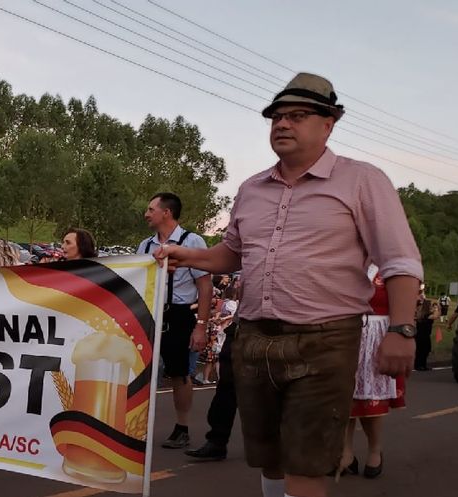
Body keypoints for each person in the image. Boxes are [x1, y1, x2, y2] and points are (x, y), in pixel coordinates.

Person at [155, 73, 422, 497]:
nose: (282, 124)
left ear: (328, 124)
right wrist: (186, 255)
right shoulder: (252, 188)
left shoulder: (362, 180)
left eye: (297, 116)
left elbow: (400, 260)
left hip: (325, 339)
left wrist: (402, 330)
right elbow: (232, 254)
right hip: (254, 337)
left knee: (306, 462)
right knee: (270, 456)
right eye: (276, 117)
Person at [136, 192, 213, 450]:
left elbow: (205, 285)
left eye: (151, 209)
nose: (146, 214)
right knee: (139, 371)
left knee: (179, 373)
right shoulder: (145, 245)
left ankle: (182, 428)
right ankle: (136, 426)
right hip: (149, 313)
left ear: (166, 212)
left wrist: (201, 326)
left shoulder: (192, 241)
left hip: (178, 314)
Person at [338, 266, 406, 479]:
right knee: (343, 397)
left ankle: (375, 449)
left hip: (378, 335)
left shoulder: (390, 266)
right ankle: (345, 453)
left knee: (372, 401)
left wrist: (401, 335)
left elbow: (404, 304)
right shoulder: (348, 260)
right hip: (346, 334)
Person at [185, 279, 240, 463]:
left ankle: (274, 447)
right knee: (226, 387)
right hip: (244, 326)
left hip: (284, 328)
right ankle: (216, 442)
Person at [414, 291, 441, 371]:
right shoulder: (427, 316)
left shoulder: (420, 316)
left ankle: (422, 365)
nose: (431, 308)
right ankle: (419, 365)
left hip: (421, 336)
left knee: (423, 350)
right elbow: (436, 316)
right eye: (430, 307)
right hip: (423, 336)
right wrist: (438, 308)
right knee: (422, 351)